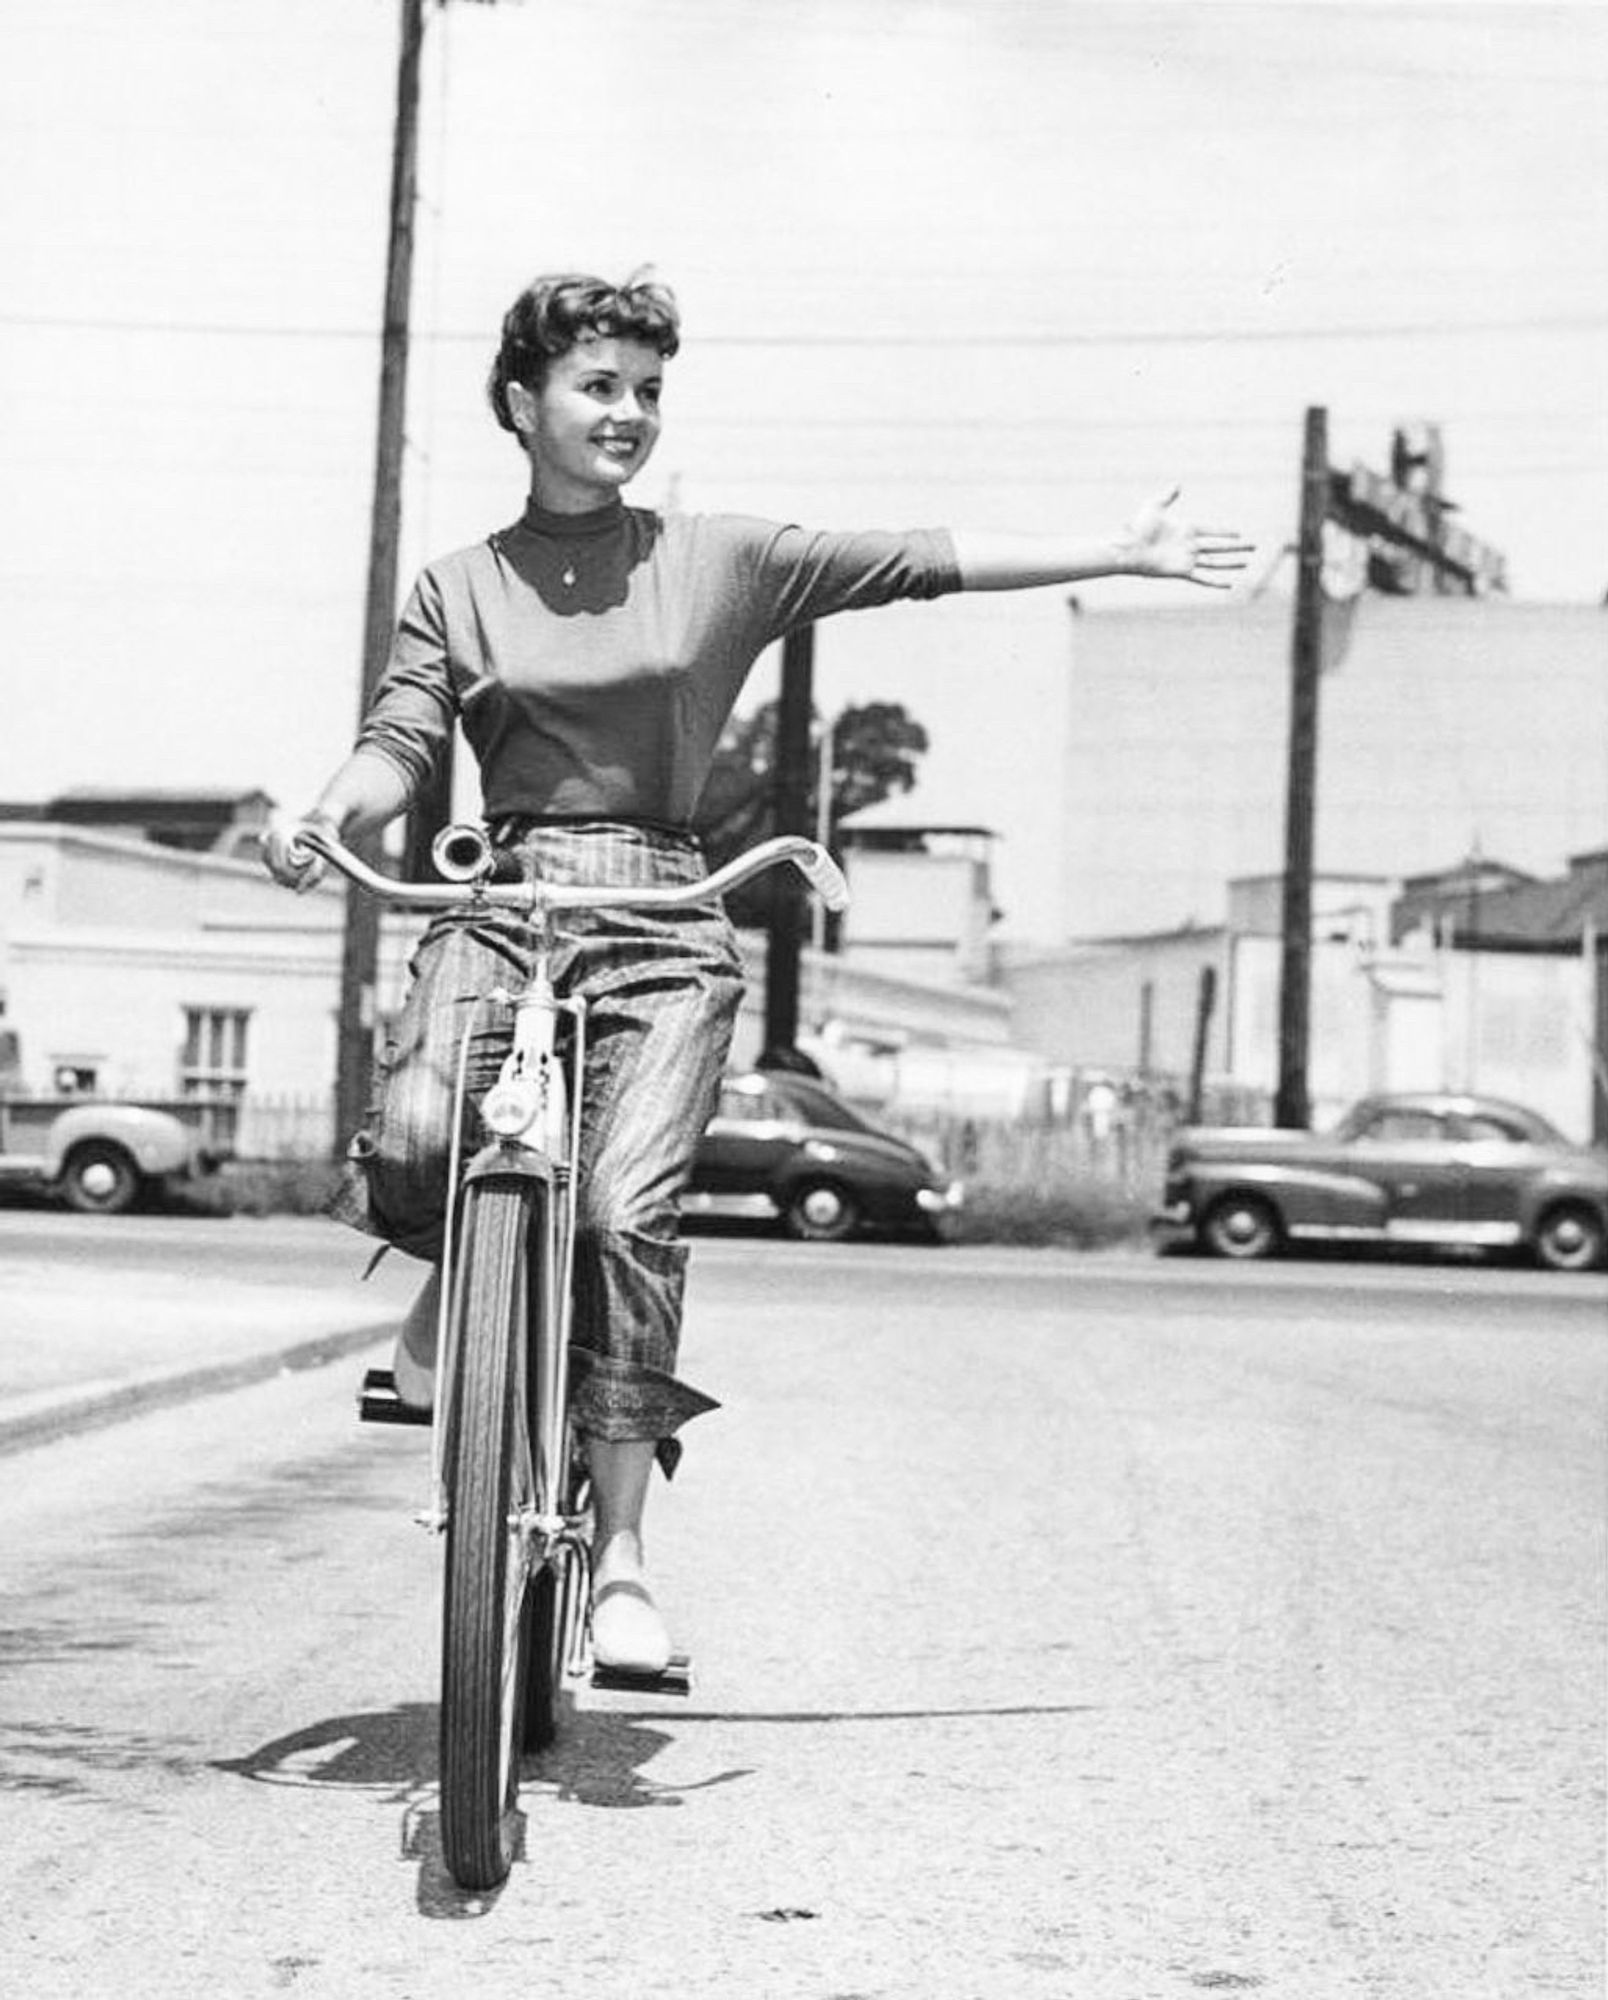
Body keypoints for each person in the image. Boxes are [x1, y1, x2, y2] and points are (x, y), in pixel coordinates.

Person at [264, 269, 1250, 1674]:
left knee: (621, 1214)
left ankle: (620, 1558)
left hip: (670, 907)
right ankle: (460, 1279)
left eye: (648, 392)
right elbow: (400, 745)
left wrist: (1115, 550)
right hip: (506, 895)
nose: (627, 415)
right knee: (419, 1135)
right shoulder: (458, 587)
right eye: (597, 387)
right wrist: (322, 818)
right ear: (520, 403)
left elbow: (907, 556)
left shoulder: (719, 558)